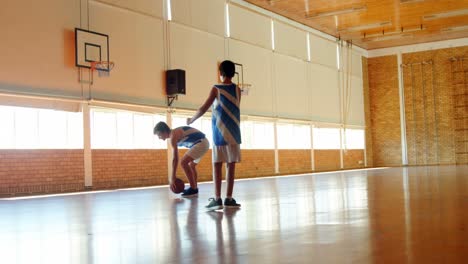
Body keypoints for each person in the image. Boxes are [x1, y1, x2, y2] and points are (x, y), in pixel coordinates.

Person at [187, 60, 242, 210]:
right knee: (231, 165)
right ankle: (229, 199)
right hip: (235, 132)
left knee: (217, 165)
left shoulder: (216, 88)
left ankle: (217, 199)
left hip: (221, 132)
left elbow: (203, 108)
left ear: (221, 73)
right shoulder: (238, 89)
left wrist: (191, 119)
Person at [154, 121, 209, 197]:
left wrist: (173, 177)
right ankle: (194, 187)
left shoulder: (173, 135)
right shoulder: (174, 135)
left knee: (183, 162)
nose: (159, 138)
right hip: (202, 143)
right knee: (191, 165)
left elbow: (175, 158)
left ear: (163, 131)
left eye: (159, 135)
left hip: (201, 143)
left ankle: (193, 189)